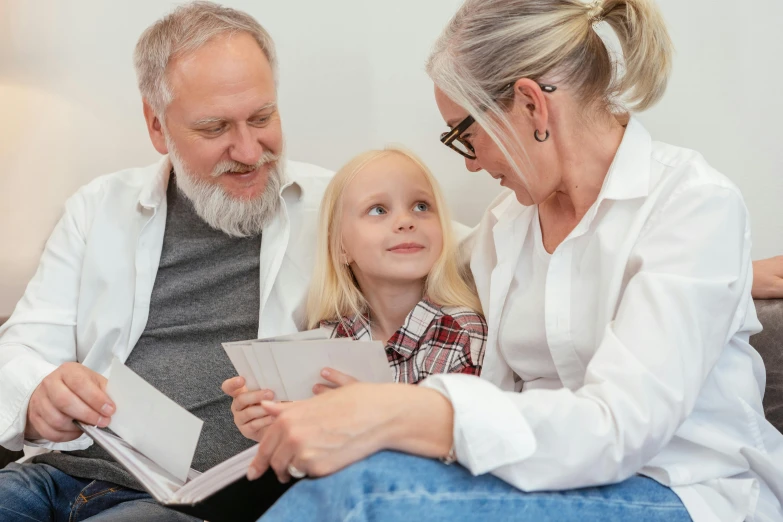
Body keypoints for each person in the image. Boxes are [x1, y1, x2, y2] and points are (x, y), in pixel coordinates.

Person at [242, 1, 783, 521]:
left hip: (679, 488)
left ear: (531, 104)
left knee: (365, 494)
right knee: (348, 478)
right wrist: (292, 392)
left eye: (464, 134)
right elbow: (414, 257)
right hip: (536, 483)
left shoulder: (692, 205)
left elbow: (618, 428)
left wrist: (398, 413)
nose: (471, 164)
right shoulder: (508, 225)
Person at [0, 2, 330, 521]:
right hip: (55, 471)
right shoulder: (98, 205)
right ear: (158, 128)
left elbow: (456, 259)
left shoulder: (341, 207)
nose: (248, 150)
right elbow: (22, 345)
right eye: (215, 127)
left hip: (182, 500)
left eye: (262, 118)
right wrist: (36, 396)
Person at [223, 147, 487, 446]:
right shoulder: (329, 337)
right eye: (378, 210)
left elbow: (459, 450)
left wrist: (369, 418)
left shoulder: (461, 333)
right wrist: (271, 425)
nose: (405, 221)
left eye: (422, 207)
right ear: (341, 247)